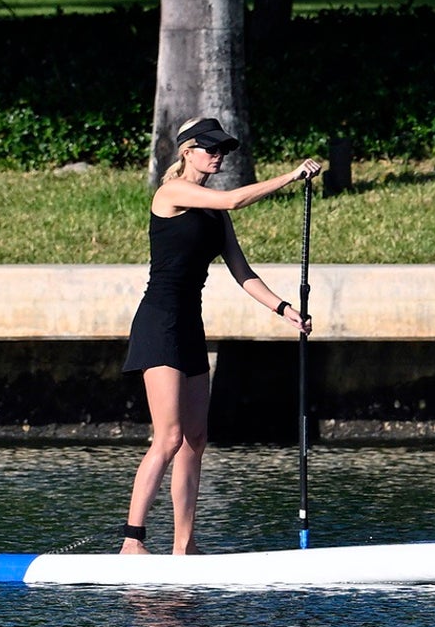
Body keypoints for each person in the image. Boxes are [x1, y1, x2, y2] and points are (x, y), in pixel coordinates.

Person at [120, 116, 322, 555]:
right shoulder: (170, 193)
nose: (218, 156)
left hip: (190, 324)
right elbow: (233, 200)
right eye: (210, 148)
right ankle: (132, 542)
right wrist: (290, 176)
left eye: (222, 150)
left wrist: (285, 309)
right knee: (168, 438)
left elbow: (241, 271)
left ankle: (184, 546)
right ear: (186, 151)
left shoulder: (213, 212)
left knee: (196, 438)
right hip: (159, 323)